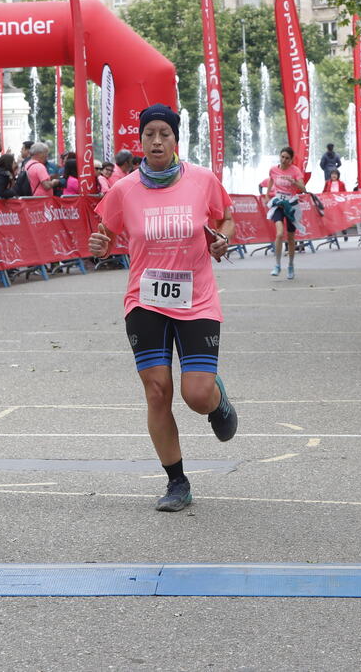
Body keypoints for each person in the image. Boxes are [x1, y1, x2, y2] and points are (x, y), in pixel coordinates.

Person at [88, 103, 237, 513]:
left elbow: (226, 220)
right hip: (145, 300)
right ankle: (177, 482)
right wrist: (100, 245)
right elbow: (105, 232)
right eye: (149, 133)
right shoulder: (124, 189)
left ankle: (217, 397)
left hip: (197, 298)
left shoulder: (202, 180)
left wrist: (222, 239)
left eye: (164, 134)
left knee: (195, 394)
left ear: (175, 140)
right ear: (140, 140)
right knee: (157, 393)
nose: (156, 140)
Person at [266, 146, 305, 278]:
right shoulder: (273, 169)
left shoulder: (295, 171)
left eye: (287, 158)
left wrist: (294, 182)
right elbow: (270, 181)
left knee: (291, 237)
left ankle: (290, 265)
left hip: (291, 206)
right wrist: (267, 196)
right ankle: (277, 265)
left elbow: (303, 188)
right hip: (278, 205)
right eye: (282, 157)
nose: (284, 160)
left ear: (291, 160)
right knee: (279, 234)